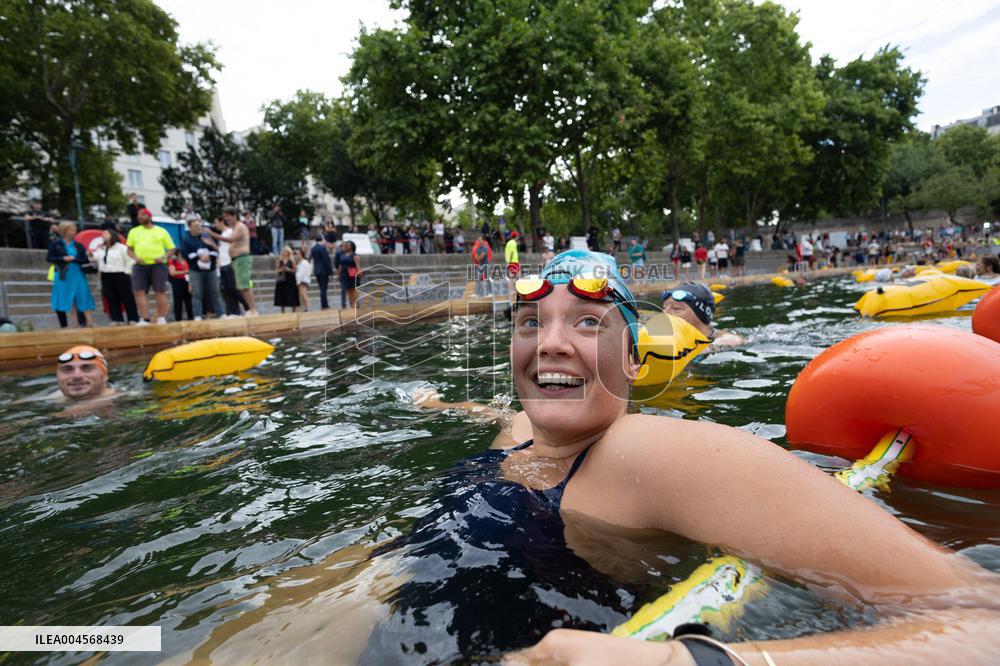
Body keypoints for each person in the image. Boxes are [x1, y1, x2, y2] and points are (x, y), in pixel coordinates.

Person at [402, 250, 1000, 664]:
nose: (550, 341)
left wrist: (685, 661)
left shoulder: (647, 452)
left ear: (634, 361)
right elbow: (491, 413)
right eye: (530, 322)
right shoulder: (515, 430)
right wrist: (438, 405)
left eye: (588, 322)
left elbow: (981, 621)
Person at [126, 208, 173, 325]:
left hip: (158, 265)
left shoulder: (161, 231)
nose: (139, 217)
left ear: (149, 216)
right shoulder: (133, 231)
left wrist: (163, 257)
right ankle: (145, 318)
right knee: (138, 291)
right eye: (138, 215)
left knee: (160, 291)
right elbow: (129, 250)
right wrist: (135, 257)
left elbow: (171, 248)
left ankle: (161, 317)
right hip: (140, 265)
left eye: (142, 215)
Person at [663, 282, 745, 346]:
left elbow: (734, 340)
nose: (665, 313)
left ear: (700, 314)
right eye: (664, 308)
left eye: (676, 308)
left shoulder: (726, 340)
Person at [47, 222, 96, 328]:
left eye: (74, 229)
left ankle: (90, 321)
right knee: (69, 297)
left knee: (83, 295)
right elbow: (49, 258)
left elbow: (85, 260)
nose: (74, 232)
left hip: (77, 273)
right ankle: (75, 323)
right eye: (71, 229)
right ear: (64, 231)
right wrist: (63, 258)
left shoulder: (78, 246)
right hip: (63, 274)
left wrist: (75, 259)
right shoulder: (56, 244)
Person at [91, 229, 139, 325]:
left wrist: (126, 272)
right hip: (106, 275)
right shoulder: (101, 248)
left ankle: (133, 318)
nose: (103, 234)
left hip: (121, 274)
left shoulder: (121, 247)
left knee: (127, 297)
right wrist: (90, 255)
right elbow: (96, 257)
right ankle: (117, 319)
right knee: (111, 298)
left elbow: (130, 260)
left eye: (106, 233)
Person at [179, 218, 224, 320]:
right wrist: (198, 256)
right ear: (190, 227)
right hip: (195, 270)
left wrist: (209, 256)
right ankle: (198, 315)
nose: (198, 228)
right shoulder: (186, 239)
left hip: (211, 269)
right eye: (196, 226)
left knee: (215, 291)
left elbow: (216, 249)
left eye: (199, 226)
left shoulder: (206, 237)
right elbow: (184, 253)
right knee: (196, 293)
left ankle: (220, 313)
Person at [167, 248, 193, 322]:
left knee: (188, 300)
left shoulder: (186, 261)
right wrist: (184, 272)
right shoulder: (173, 261)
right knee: (178, 301)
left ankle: (191, 317)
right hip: (177, 281)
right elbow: (172, 272)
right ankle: (178, 318)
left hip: (187, 281)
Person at [273, 246, 300, 313]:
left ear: (289, 252)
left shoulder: (292, 260)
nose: (285, 253)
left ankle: (293, 311)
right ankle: (282, 311)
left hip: (290, 279)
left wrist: (289, 269)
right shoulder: (279, 260)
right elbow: (276, 270)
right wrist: (282, 269)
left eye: (286, 251)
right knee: (282, 295)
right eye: (284, 251)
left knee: (292, 295)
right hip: (282, 279)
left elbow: (294, 270)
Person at [338, 240, 362, 307]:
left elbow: (358, 265)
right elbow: (340, 265)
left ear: (352, 246)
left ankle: (356, 303)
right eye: (345, 245)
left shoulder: (355, 255)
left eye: (348, 244)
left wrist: (359, 273)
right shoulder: (342, 255)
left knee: (354, 289)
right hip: (344, 274)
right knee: (349, 289)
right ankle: (351, 303)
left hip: (353, 274)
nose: (346, 246)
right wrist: (339, 274)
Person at [310, 239, 333, 309]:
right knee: (323, 288)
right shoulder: (322, 248)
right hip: (324, 271)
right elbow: (326, 260)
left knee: (321, 288)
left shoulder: (313, 248)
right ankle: (324, 304)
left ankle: (324, 303)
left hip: (317, 270)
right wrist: (330, 271)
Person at [296, 247, 312, 311]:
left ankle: (307, 307)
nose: (296, 255)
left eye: (298, 254)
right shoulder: (300, 262)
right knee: (301, 294)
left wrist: (298, 281)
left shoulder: (304, 262)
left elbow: (301, 273)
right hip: (301, 280)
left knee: (303, 294)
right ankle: (304, 307)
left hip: (303, 280)